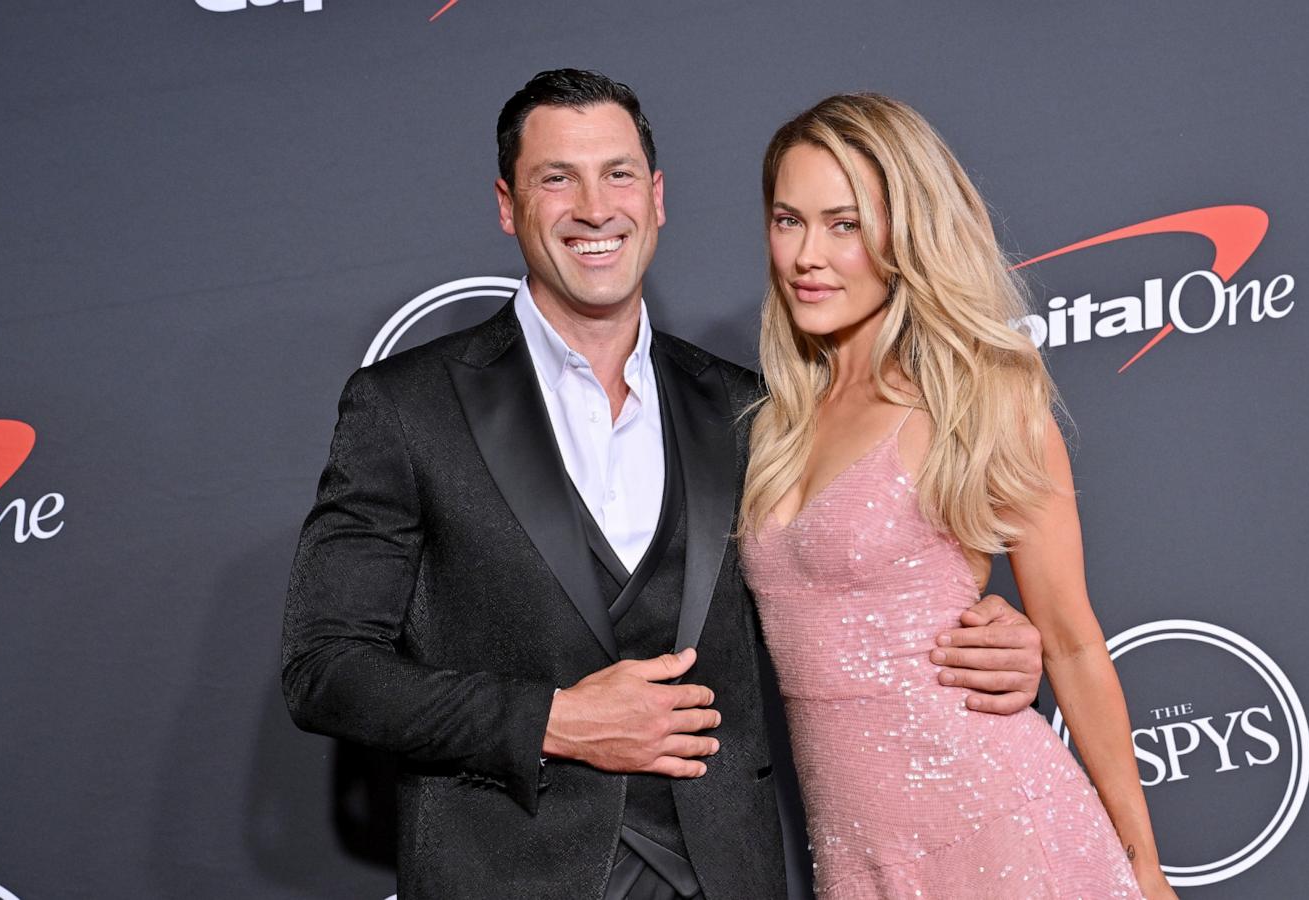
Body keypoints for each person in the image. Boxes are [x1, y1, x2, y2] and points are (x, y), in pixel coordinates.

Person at [282, 70, 1047, 900]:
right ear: (507, 206)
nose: (593, 207)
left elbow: (830, 596)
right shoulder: (407, 407)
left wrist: (982, 638)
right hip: (506, 872)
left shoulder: (755, 408)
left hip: (723, 874)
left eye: (616, 174)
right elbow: (325, 669)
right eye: (555, 179)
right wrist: (552, 721)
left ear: (656, 197)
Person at [738, 93, 1179, 899]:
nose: (807, 254)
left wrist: (1144, 867)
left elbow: (1073, 642)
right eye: (787, 219)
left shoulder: (980, 400)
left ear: (904, 231)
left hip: (997, 828)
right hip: (859, 853)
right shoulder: (774, 420)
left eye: (844, 224)